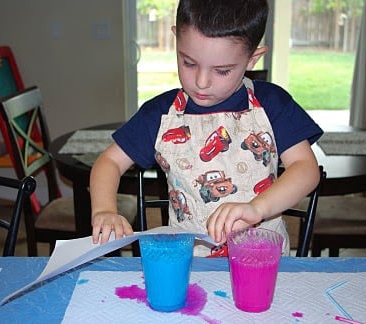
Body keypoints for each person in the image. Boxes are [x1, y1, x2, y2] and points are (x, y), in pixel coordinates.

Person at [90, 0, 323, 256]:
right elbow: (109, 162)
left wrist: (258, 208)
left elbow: (306, 169)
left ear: (252, 59)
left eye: (222, 71)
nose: (201, 82)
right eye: (189, 63)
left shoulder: (272, 105)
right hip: (188, 264)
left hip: (261, 262)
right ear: (176, 39)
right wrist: (104, 210)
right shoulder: (160, 115)